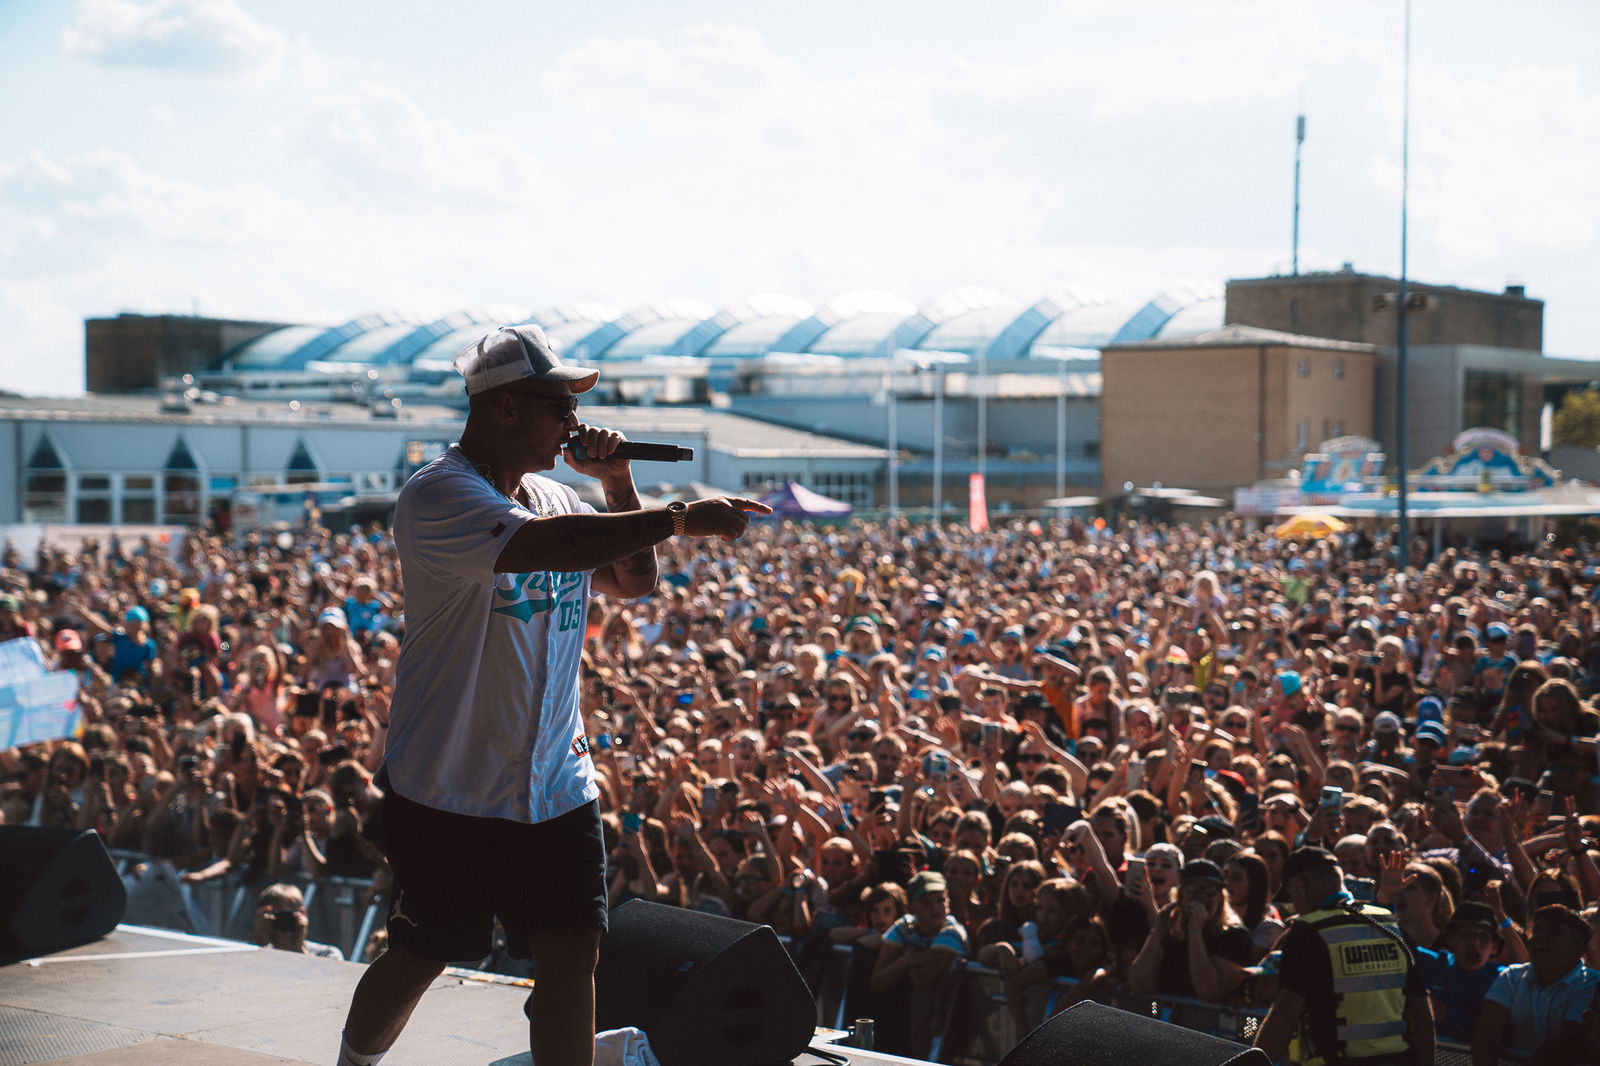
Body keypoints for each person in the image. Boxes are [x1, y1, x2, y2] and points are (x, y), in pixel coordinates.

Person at [337, 325, 769, 1066]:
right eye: (558, 406)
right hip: (453, 785)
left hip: (554, 782)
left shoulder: (551, 492)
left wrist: (619, 484)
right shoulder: (438, 494)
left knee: (574, 955)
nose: (573, 423)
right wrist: (683, 517)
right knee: (428, 949)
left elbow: (633, 581)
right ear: (504, 408)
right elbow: (554, 549)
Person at [1254, 846, 1434, 1066]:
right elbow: (1422, 1014)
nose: (1296, 906)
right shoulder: (1389, 924)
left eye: (1292, 894)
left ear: (1299, 885)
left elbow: (1283, 1018)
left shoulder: (1308, 931)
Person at [1471, 904, 1599, 1066]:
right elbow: (1486, 1035)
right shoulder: (1511, 977)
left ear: (1578, 946)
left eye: (1553, 933)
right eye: (1536, 930)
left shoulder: (1591, 984)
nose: (1539, 937)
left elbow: (1568, 1042)